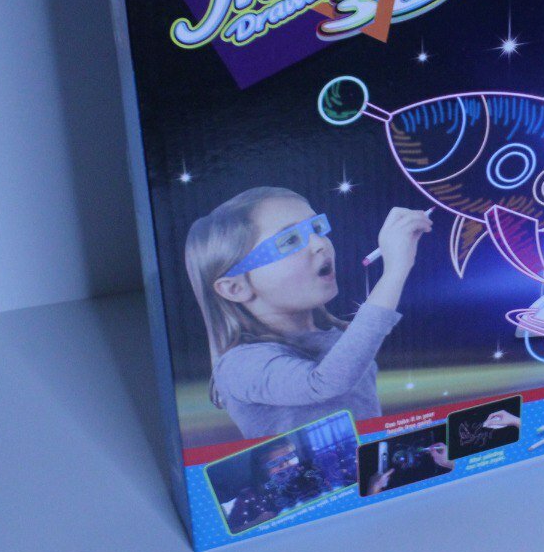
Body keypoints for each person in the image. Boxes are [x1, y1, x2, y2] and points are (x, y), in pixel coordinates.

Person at [185, 186, 432, 439]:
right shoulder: (238, 365)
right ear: (235, 288)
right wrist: (395, 271)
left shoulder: (336, 336)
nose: (320, 244)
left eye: (316, 228)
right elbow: (322, 384)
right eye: (289, 241)